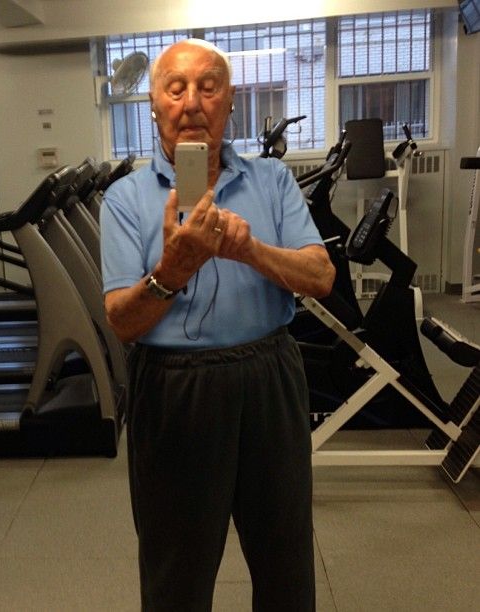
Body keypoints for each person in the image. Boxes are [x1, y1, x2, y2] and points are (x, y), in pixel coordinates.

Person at [100, 38, 335, 612]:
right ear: (153, 105)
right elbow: (122, 322)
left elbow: (321, 276)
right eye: (174, 88)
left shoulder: (273, 182)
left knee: (285, 564)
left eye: (209, 87)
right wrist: (171, 271)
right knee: (176, 570)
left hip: (268, 378)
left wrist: (251, 250)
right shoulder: (125, 200)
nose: (192, 102)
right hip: (174, 389)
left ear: (230, 103)